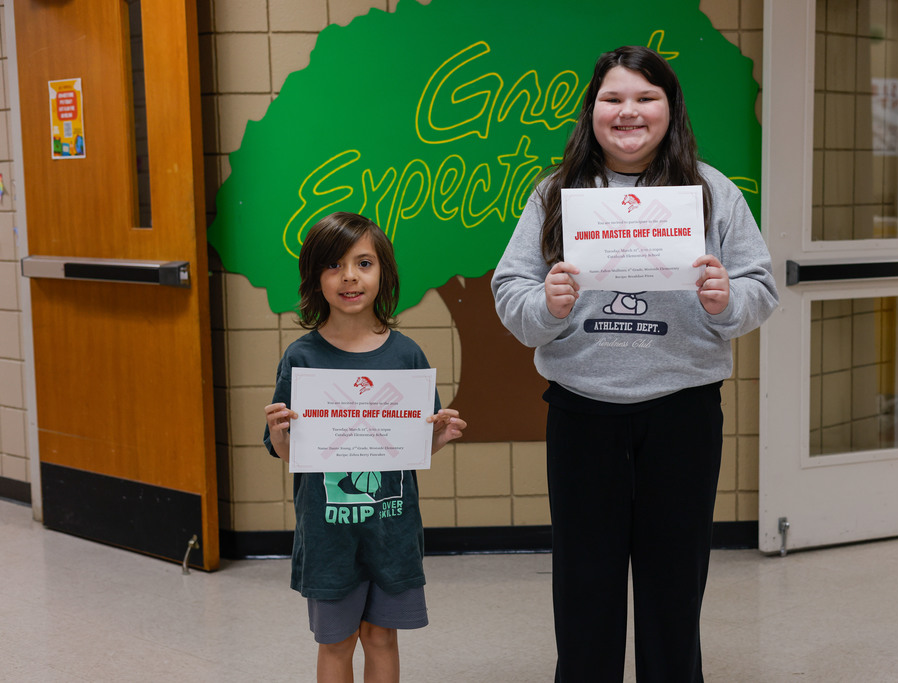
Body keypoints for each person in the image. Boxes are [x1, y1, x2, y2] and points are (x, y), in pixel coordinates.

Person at [491, 46, 778, 682]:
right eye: (613, 98)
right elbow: (510, 290)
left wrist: (728, 300)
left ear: (669, 109)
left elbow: (762, 286)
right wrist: (547, 304)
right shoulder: (555, 194)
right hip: (583, 411)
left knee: (674, 584)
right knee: (584, 584)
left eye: (645, 98)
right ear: (592, 110)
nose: (629, 112)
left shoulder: (709, 191)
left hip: (683, 412)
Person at [264, 211, 466, 683]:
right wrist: (278, 435)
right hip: (328, 534)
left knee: (381, 637)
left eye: (363, 263)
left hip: (392, 533)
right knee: (335, 643)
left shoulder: (407, 355)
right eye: (333, 265)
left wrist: (438, 437)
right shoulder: (302, 357)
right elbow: (291, 453)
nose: (349, 277)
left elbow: (412, 448)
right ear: (315, 278)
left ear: (384, 274)